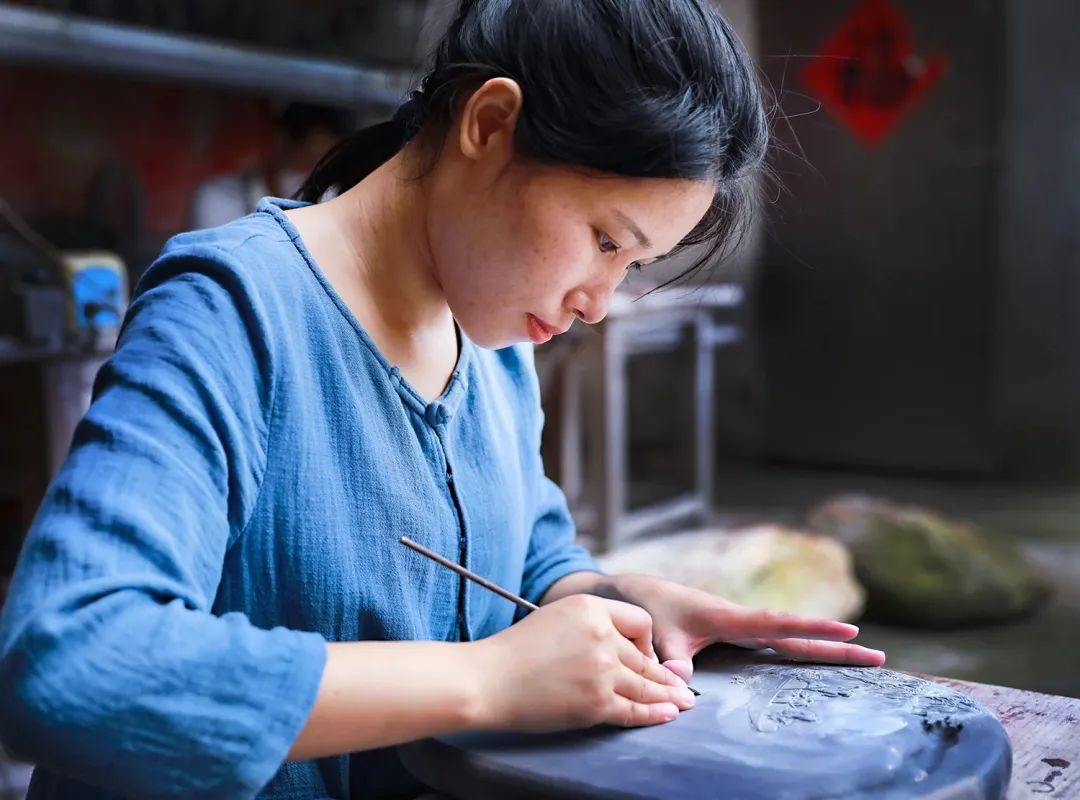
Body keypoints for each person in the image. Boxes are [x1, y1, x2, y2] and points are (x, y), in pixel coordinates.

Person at [0, 1, 886, 798]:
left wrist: (607, 598)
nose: (597, 302)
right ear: (490, 124)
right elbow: (74, 663)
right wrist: (490, 681)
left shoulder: (489, 333)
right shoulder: (232, 308)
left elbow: (524, 547)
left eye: (633, 266)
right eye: (603, 238)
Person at [189, 102, 353, 229]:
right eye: (307, 160)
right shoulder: (219, 199)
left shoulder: (329, 204)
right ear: (280, 142)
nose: (310, 174)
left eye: (322, 166)